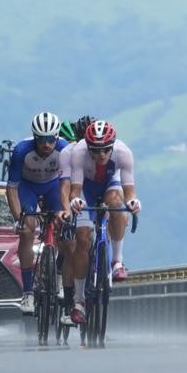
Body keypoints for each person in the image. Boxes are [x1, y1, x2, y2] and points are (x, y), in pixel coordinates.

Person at [66, 120, 141, 325]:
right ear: (88, 146)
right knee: (82, 239)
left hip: (110, 184)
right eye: (96, 150)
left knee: (117, 205)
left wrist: (133, 203)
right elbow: (75, 189)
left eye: (106, 150)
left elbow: (129, 191)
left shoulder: (123, 153)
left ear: (113, 146)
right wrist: (75, 200)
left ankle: (117, 261)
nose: (101, 155)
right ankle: (78, 301)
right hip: (86, 188)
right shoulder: (79, 152)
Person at [4, 112, 70, 315]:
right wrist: (18, 219)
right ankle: (28, 293)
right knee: (27, 231)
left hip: (53, 186)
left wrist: (65, 210)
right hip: (28, 187)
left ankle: (59, 274)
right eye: (41, 139)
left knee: (64, 225)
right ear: (34, 137)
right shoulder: (21, 151)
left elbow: (68, 182)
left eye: (51, 139)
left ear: (56, 137)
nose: (46, 144)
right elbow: (12, 189)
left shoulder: (64, 149)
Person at [57, 115, 96, 325]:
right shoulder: (69, 152)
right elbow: (63, 186)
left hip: (91, 193)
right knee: (71, 245)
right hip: (71, 192)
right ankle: (71, 299)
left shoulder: (106, 153)